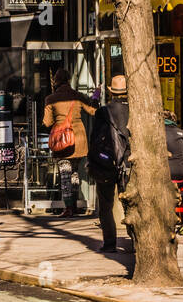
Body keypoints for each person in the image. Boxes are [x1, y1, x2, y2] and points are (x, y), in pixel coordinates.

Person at [42, 69, 96, 217]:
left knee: (65, 174)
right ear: (69, 80)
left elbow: (47, 123)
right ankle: (74, 204)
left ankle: (68, 207)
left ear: (56, 81)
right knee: (74, 173)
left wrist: (57, 119)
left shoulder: (51, 99)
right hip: (78, 139)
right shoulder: (78, 96)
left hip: (62, 140)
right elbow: (93, 111)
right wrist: (96, 96)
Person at [88, 74, 131, 253]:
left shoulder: (103, 112)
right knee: (130, 205)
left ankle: (110, 243)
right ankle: (136, 240)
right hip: (129, 163)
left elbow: (95, 138)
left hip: (106, 163)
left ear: (110, 91)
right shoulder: (135, 110)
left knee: (106, 205)